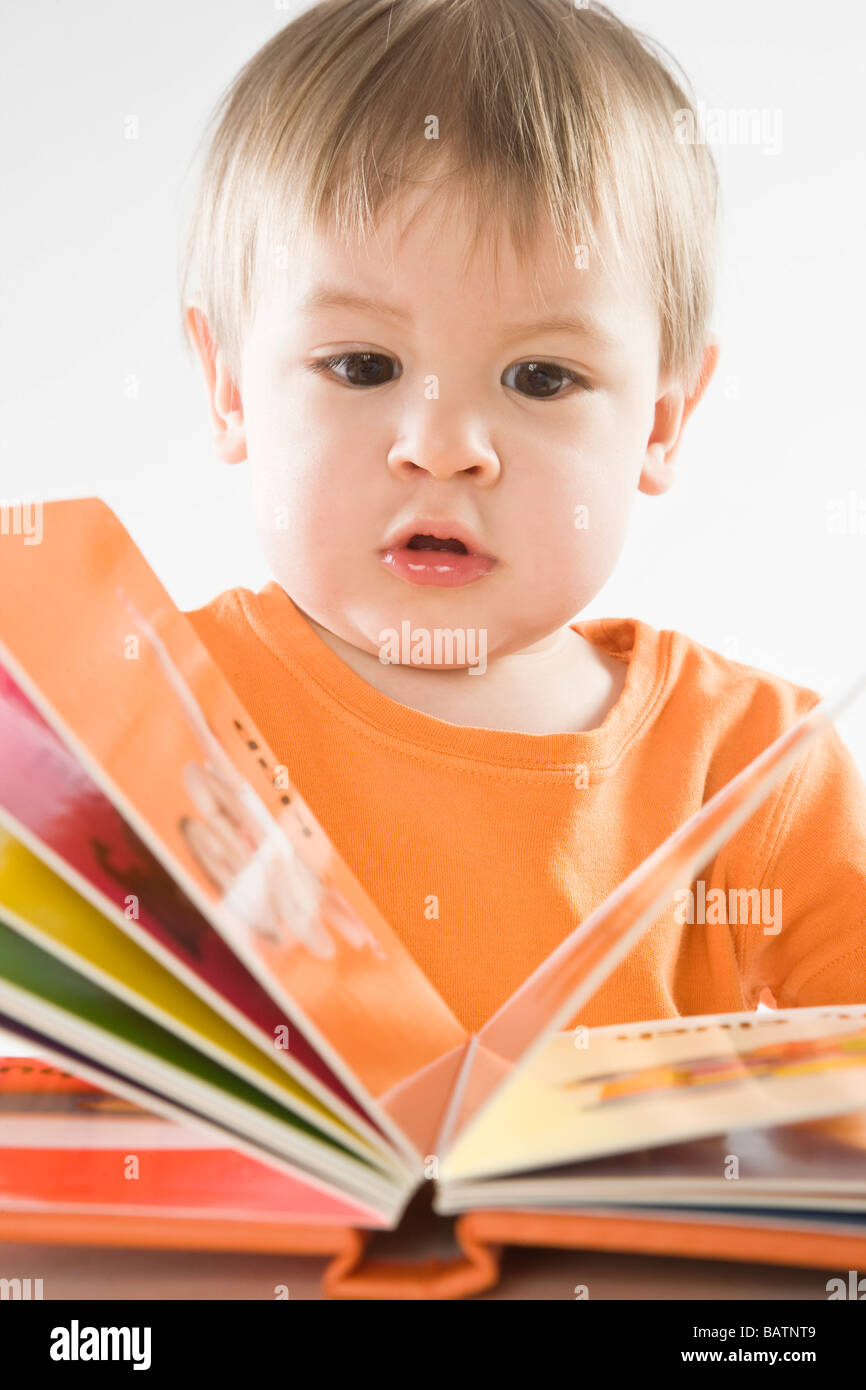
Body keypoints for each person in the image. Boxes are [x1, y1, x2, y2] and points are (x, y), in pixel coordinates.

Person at [179, 0, 866, 1035]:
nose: (445, 443)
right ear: (230, 388)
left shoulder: (755, 770)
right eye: (362, 365)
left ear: (659, 424)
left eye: (539, 377)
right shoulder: (144, 713)